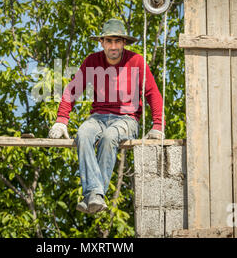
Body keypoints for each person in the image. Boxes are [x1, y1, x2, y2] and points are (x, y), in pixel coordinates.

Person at [48, 18, 164, 214]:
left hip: (127, 118)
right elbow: (72, 90)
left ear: (124, 43)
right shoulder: (92, 61)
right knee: (83, 134)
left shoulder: (136, 61)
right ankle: (96, 196)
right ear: (101, 42)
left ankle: (92, 195)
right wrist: (61, 120)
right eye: (109, 41)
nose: (113, 46)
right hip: (98, 117)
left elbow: (153, 93)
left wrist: (158, 125)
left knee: (110, 137)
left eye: (117, 41)